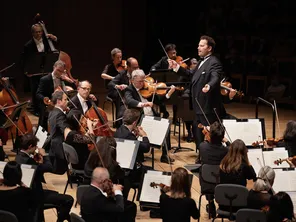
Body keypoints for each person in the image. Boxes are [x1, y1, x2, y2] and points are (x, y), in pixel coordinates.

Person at [168, 35, 225, 151]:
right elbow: (190, 74)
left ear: (209, 48)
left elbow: (215, 77)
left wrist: (209, 85)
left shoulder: (214, 62)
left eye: (202, 46)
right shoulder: (201, 62)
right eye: (198, 45)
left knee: (207, 135)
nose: (198, 48)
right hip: (198, 106)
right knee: (198, 133)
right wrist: (177, 67)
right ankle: (202, 156)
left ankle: (208, 157)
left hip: (208, 107)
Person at [15, 133, 74, 222]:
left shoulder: (18, 156)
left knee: (55, 193)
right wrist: (45, 155)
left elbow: (37, 169)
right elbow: (50, 168)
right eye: (35, 147)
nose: (36, 149)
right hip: (35, 196)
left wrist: (38, 163)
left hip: (28, 192)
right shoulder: (29, 161)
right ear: (30, 146)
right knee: (69, 199)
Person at [124, 69, 176, 163]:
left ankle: (164, 155)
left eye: (143, 80)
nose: (142, 83)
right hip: (139, 119)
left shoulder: (147, 89)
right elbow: (129, 101)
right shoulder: (129, 89)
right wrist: (143, 104)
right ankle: (139, 154)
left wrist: (169, 93)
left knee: (166, 127)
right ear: (132, 81)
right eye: (139, 81)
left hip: (152, 117)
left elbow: (159, 101)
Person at [48, 91, 95, 174]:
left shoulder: (53, 111)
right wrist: (90, 131)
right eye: (65, 100)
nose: (68, 102)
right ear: (59, 102)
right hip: (61, 150)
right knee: (85, 148)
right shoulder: (59, 115)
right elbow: (69, 135)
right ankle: (86, 172)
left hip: (55, 146)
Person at [22, 23, 58, 116]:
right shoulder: (28, 45)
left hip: (45, 69)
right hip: (34, 70)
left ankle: (48, 107)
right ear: (32, 33)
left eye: (40, 32)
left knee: (47, 87)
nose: (39, 34)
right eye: (37, 32)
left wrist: (54, 38)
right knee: (35, 90)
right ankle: (37, 109)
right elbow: (25, 60)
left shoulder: (47, 41)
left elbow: (55, 48)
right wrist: (27, 71)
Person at [199, 121, 229, 218]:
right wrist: (227, 141)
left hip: (206, 185)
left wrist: (207, 136)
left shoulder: (202, 147)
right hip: (221, 183)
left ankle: (210, 201)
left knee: (205, 170)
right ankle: (222, 205)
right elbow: (234, 149)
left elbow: (206, 144)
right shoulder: (226, 150)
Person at [36, 60, 77, 130]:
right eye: (58, 70)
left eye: (62, 71)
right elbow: (38, 93)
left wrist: (69, 80)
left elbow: (74, 89)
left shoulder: (63, 79)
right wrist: (45, 99)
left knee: (74, 111)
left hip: (62, 103)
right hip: (50, 103)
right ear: (53, 67)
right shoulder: (45, 79)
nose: (59, 73)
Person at [66, 80, 98, 169]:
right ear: (78, 89)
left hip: (86, 132)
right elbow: (73, 122)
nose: (87, 91)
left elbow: (91, 114)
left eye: (88, 89)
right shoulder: (72, 103)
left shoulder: (88, 101)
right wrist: (87, 127)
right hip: (77, 135)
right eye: (84, 88)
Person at [108, 57, 139, 127]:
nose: (137, 69)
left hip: (138, 99)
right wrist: (118, 86)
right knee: (121, 116)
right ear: (128, 67)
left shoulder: (139, 73)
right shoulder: (122, 74)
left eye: (137, 67)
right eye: (134, 68)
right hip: (126, 100)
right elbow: (111, 84)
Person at [150, 43, 178, 119]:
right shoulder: (164, 59)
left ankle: (175, 118)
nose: (174, 54)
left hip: (175, 84)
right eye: (172, 53)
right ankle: (164, 112)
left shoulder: (178, 60)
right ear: (168, 53)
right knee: (158, 96)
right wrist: (153, 69)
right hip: (165, 84)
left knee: (176, 98)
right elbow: (154, 66)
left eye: (175, 52)